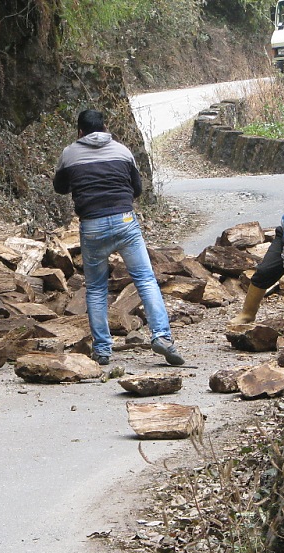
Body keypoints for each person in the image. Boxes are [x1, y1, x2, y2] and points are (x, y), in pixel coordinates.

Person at [53, 109, 184, 367]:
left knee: (97, 288)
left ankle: (102, 349)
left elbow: (60, 188)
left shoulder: (69, 153)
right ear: (105, 127)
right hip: (125, 221)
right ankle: (162, 337)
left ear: (80, 132)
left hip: (92, 225)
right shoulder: (123, 151)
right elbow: (137, 189)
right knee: (146, 280)